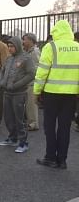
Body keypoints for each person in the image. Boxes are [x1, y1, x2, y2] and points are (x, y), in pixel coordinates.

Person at [34, 20, 79, 169]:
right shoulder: (77, 47)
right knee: (65, 127)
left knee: (50, 126)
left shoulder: (50, 46)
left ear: (55, 32)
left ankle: (50, 157)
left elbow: (42, 72)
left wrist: (36, 91)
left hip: (51, 94)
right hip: (71, 95)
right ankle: (62, 160)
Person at [0, 36, 35, 153]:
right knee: (8, 117)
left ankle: (23, 142)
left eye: (12, 46)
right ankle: (12, 138)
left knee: (20, 118)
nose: (9, 48)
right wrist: (2, 82)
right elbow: (2, 71)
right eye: (8, 46)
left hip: (19, 93)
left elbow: (31, 74)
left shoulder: (26, 58)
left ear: (17, 46)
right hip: (7, 92)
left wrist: (17, 84)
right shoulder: (9, 59)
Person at [22, 33, 40, 131]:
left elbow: (38, 66)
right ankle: (30, 122)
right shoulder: (28, 52)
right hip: (28, 82)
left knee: (31, 104)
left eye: (25, 39)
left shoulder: (34, 52)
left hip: (32, 82)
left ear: (31, 40)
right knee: (28, 104)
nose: (23, 42)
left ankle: (33, 124)